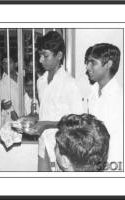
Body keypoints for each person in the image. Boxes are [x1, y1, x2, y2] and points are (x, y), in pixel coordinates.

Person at [33, 31, 84, 171]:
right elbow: (45, 113)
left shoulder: (69, 83)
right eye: (39, 55)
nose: (40, 60)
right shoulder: (40, 82)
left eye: (45, 56)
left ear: (59, 55)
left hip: (62, 147)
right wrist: (32, 119)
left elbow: (78, 121)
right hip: (44, 143)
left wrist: (47, 124)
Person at [85, 43, 123, 169]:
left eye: (93, 63)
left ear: (108, 65)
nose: (88, 67)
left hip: (114, 166)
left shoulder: (121, 99)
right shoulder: (92, 93)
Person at [0, 55, 19, 123]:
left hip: (26, 115)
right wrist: (20, 123)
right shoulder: (2, 83)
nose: (6, 65)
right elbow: (10, 109)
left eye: (9, 63)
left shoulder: (21, 77)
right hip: (13, 121)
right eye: (4, 63)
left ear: (16, 64)